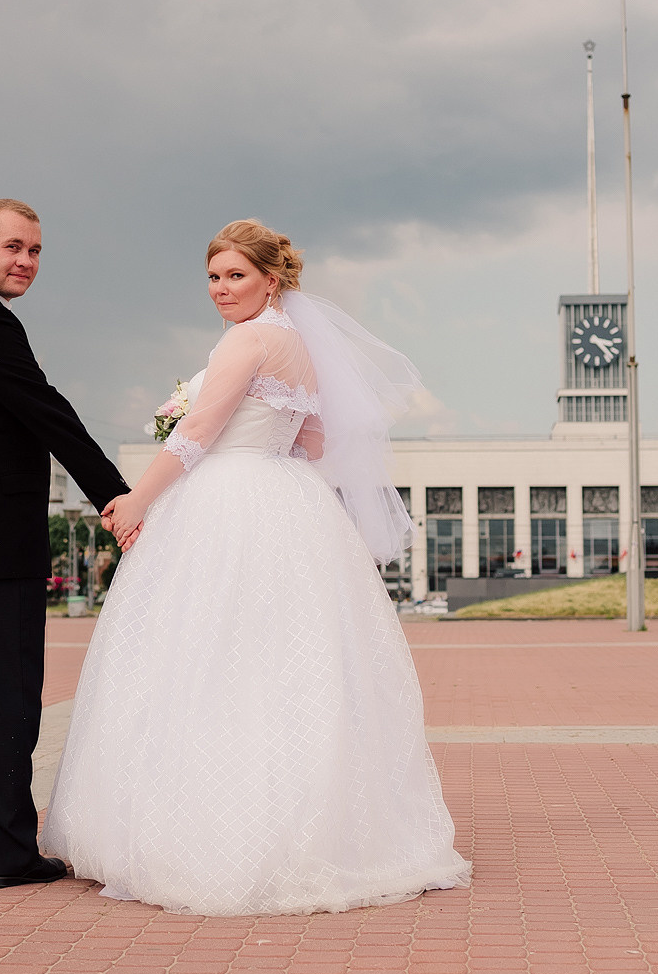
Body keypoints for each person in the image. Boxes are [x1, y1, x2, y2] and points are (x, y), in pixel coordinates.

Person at [41, 219, 470, 915]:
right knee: (287, 664)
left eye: (235, 275)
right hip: (290, 503)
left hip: (227, 500)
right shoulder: (298, 347)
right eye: (213, 276)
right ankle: (317, 823)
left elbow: (198, 432)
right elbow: (317, 437)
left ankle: (213, 834)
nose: (221, 289)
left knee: (206, 657)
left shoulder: (245, 340)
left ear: (271, 279)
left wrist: (132, 503)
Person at [0, 199, 128, 889]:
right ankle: (7, 852)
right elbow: (46, 411)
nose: (26, 261)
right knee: (5, 695)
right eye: (13, 247)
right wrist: (113, 494)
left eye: (35, 250)